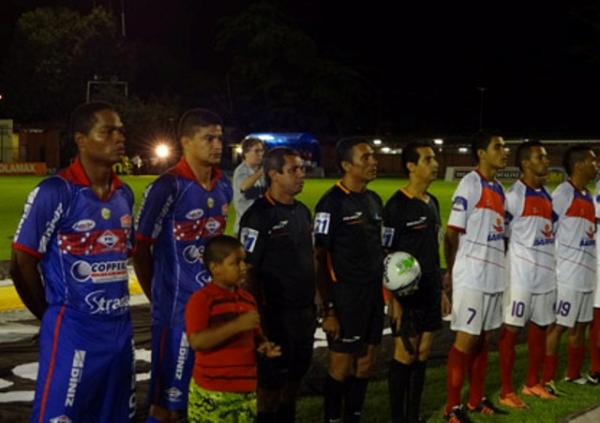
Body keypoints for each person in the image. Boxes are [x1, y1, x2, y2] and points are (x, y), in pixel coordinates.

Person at [10, 102, 136, 422]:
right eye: (107, 131)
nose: (119, 137)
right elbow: (21, 262)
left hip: (120, 331)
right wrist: (53, 318)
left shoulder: (125, 195)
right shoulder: (56, 191)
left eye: (120, 130)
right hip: (75, 333)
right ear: (81, 139)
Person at [133, 108, 232, 422]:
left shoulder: (223, 186)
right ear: (186, 141)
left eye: (219, 137)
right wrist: (158, 296)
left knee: (201, 398)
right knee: (167, 405)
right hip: (175, 313)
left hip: (210, 309)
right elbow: (140, 248)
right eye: (208, 138)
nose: (217, 144)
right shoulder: (167, 187)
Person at [239, 147, 316, 422]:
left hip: (304, 315)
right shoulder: (258, 217)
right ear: (273, 174)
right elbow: (246, 273)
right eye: (293, 169)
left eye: (302, 169)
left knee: (294, 381)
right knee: (269, 389)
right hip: (274, 318)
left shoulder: (303, 213)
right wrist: (257, 324)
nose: (301, 175)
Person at [314, 138, 384, 423]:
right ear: (346, 165)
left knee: (366, 362)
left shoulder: (374, 199)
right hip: (344, 298)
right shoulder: (331, 203)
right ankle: (332, 419)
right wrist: (328, 309)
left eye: (372, 156)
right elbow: (319, 259)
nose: (373, 161)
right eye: (365, 157)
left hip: (372, 296)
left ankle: (353, 416)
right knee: (341, 365)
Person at [444, 132, 509, 422]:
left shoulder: (499, 188)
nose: (504, 151)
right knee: (466, 340)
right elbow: (451, 233)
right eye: (498, 147)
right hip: (472, 276)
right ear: (481, 153)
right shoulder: (470, 184)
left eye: (505, 147)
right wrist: (452, 269)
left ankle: (475, 400)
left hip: (494, 276)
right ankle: (452, 408)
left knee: (484, 339)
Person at [383, 142, 450, 423]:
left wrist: (441, 290)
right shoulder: (396, 206)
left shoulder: (432, 202)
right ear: (411, 166)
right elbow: (386, 254)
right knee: (405, 355)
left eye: (434, 159)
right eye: (427, 159)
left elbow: (432, 250)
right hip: (406, 295)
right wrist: (393, 299)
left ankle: (414, 415)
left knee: (423, 353)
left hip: (430, 290)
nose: (434, 164)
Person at [185, 235, 281, 423]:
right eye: (235, 263)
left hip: (246, 392)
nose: (244, 267)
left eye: (244, 261)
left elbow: (255, 334)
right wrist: (236, 326)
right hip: (212, 394)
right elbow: (197, 341)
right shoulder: (201, 300)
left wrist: (263, 346)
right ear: (215, 268)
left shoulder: (248, 299)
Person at [497, 141, 558, 408]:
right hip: (520, 276)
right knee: (511, 331)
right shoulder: (513, 196)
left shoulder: (547, 195)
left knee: (540, 329)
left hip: (544, 276)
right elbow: (502, 236)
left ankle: (533, 383)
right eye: (540, 157)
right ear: (525, 163)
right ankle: (506, 391)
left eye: (545, 157)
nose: (546, 161)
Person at [541, 145, 598, 392]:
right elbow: (547, 228)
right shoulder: (563, 194)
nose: (596, 165)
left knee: (581, 326)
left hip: (586, 273)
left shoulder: (588, 195)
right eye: (592, 161)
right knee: (559, 326)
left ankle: (573, 374)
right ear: (578, 165)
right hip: (567, 275)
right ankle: (546, 379)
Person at [233, 137, 267, 234]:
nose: (260, 154)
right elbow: (244, 187)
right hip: (245, 227)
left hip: (260, 225)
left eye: (261, 150)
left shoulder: (260, 172)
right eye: (256, 151)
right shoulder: (241, 171)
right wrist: (261, 172)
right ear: (246, 153)